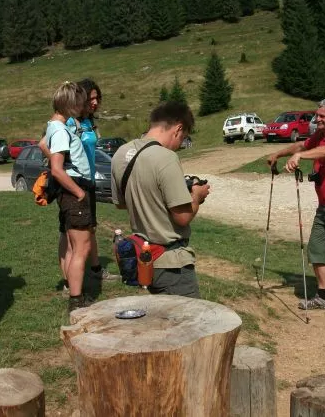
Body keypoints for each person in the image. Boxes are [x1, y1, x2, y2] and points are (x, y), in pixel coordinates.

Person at [267, 97, 325, 314]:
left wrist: (300, 156)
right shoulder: (319, 135)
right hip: (324, 206)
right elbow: (302, 144)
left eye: (322, 116)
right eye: (316, 115)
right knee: (317, 249)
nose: (316, 119)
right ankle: (323, 296)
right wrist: (278, 154)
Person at [110, 101, 210, 297]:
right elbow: (182, 217)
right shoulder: (166, 157)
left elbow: (121, 204)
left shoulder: (120, 154)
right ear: (178, 129)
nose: (180, 145)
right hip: (172, 264)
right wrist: (197, 196)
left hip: (144, 258)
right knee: (185, 316)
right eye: (183, 138)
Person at [39, 79, 118, 295]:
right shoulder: (68, 123)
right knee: (70, 236)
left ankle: (92, 271)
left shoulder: (87, 122)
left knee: (87, 230)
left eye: (97, 98)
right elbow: (44, 144)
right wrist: (63, 167)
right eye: (89, 99)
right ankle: (71, 286)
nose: (94, 103)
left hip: (86, 180)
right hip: (75, 184)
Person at [43, 81, 98, 313]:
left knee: (75, 246)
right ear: (70, 104)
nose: (82, 107)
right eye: (79, 103)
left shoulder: (56, 126)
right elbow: (57, 169)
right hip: (74, 190)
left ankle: (76, 294)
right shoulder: (60, 130)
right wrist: (79, 192)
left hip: (72, 189)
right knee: (81, 248)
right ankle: (76, 299)